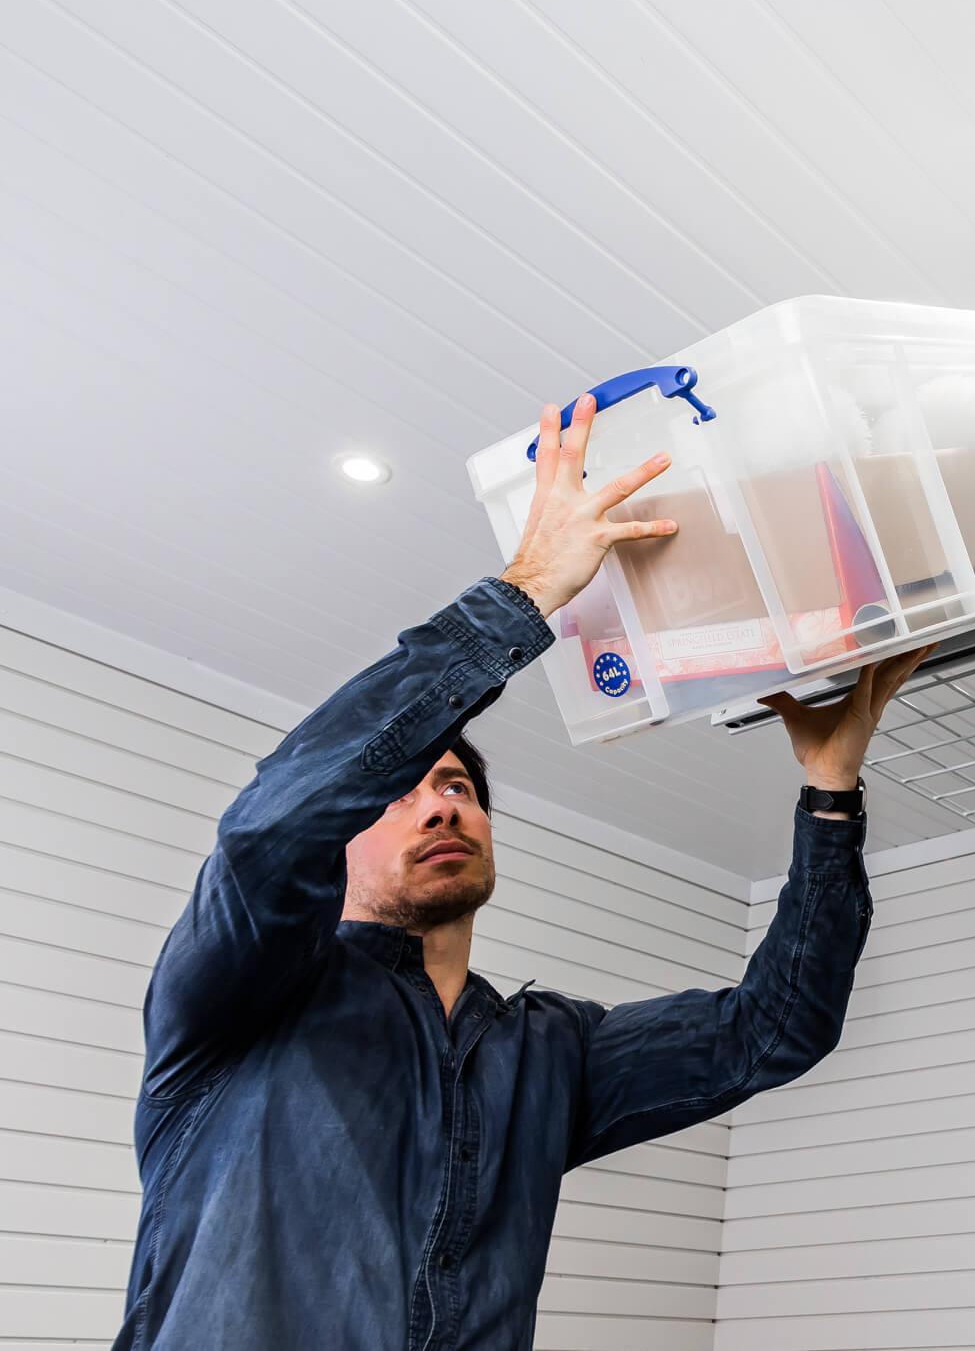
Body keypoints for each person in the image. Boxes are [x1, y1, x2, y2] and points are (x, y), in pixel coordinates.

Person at [114, 394, 930, 1350]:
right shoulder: (248, 991)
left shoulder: (549, 1056)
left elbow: (774, 1029)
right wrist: (530, 588)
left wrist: (830, 790)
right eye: (397, 795)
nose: (438, 803)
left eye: (458, 785)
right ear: (339, 836)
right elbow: (268, 829)